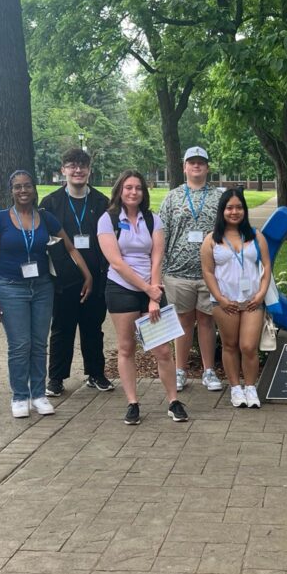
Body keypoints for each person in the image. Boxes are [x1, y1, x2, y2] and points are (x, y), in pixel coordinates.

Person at [0, 170, 92, 419]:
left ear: (34, 189)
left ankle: (38, 394)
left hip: (42, 287)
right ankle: (19, 396)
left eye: (27, 186)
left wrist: (87, 274)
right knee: (20, 345)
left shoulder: (45, 218)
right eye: (17, 187)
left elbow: (70, 248)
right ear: (11, 191)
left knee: (39, 343)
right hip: (11, 286)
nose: (23, 191)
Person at [98, 170, 188, 425]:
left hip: (152, 289)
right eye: (128, 187)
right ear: (120, 190)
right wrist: (146, 289)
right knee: (127, 348)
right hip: (121, 289)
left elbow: (157, 257)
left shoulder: (153, 219)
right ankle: (133, 403)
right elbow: (116, 263)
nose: (133, 192)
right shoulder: (108, 220)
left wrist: (153, 295)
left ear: (144, 192)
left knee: (162, 350)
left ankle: (173, 401)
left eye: (138, 188)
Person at [40, 148, 113, 397]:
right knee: (62, 328)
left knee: (93, 327)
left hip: (96, 275)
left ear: (89, 170)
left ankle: (96, 373)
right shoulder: (50, 203)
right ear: (63, 170)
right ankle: (56, 378)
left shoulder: (102, 203)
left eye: (83, 166)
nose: (78, 170)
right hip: (63, 279)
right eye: (72, 165)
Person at [157, 147, 224, 392]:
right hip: (177, 272)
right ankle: (180, 370)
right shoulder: (172, 198)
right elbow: (161, 234)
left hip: (210, 273)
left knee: (207, 321)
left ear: (207, 167)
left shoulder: (219, 197)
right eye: (192, 162)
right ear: (184, 167)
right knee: (183, 321)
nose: (196, 166)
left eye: (201, 162)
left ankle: (209, 371)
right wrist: (159, 271)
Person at [201, 188, 272, 408]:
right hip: (225, 302)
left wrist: (260, 294)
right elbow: (208, 272)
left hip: (252, 301)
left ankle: (250, 387)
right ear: (222, 211)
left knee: (249, 346)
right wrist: (220, 298)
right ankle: (235, 388)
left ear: (244, 210)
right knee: (230, 345)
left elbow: (267, 266)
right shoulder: (212, 240)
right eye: (229, 208)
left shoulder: (256, 236)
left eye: (239, 207)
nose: (234, 212)